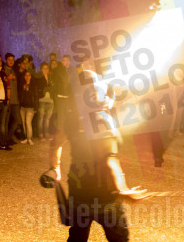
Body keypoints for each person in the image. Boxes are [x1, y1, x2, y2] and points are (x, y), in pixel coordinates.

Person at [41, 58, 148, 241]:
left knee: (77, 238)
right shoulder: (102, 121)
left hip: (78, 193)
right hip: (105, 197)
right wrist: (123, 189)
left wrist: (55, 168)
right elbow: (109, 160)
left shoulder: (71, 118)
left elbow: (55, 144)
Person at [4, 53, 23, 145]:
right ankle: (5, 140)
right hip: (7, 99)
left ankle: (8, 137)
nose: (11, 61)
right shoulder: (3, 70)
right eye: (9, 60)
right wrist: (8, 78)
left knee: (18, 119)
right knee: (6, 121)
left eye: (12, 60)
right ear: (5, 60)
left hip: (15, 99)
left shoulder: (14, 70)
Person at [19, 70, 39, 145]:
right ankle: (25, 138)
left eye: (29, 75)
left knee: (28, 122)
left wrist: (36, 108)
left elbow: (36, 97)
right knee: (24, 123)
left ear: (31, 76)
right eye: (26, 75)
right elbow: (20, 96)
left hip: (30, 107)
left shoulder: (34, 85)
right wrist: (23, 88)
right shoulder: (22, 85)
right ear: (24, 77)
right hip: (23, 107)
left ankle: (29, 138)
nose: (27, 77)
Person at [37, 62, 54, 140]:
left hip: (50, 101)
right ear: (41, 69)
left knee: (47, 119)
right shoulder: (39, 78)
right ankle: (41, 134)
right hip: (42, 100)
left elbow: (53, 88)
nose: (45, 70)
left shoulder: (51, 77)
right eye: (44, 68)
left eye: (47, 68)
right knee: (41, 118)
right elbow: (39, 90)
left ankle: (46, 133)